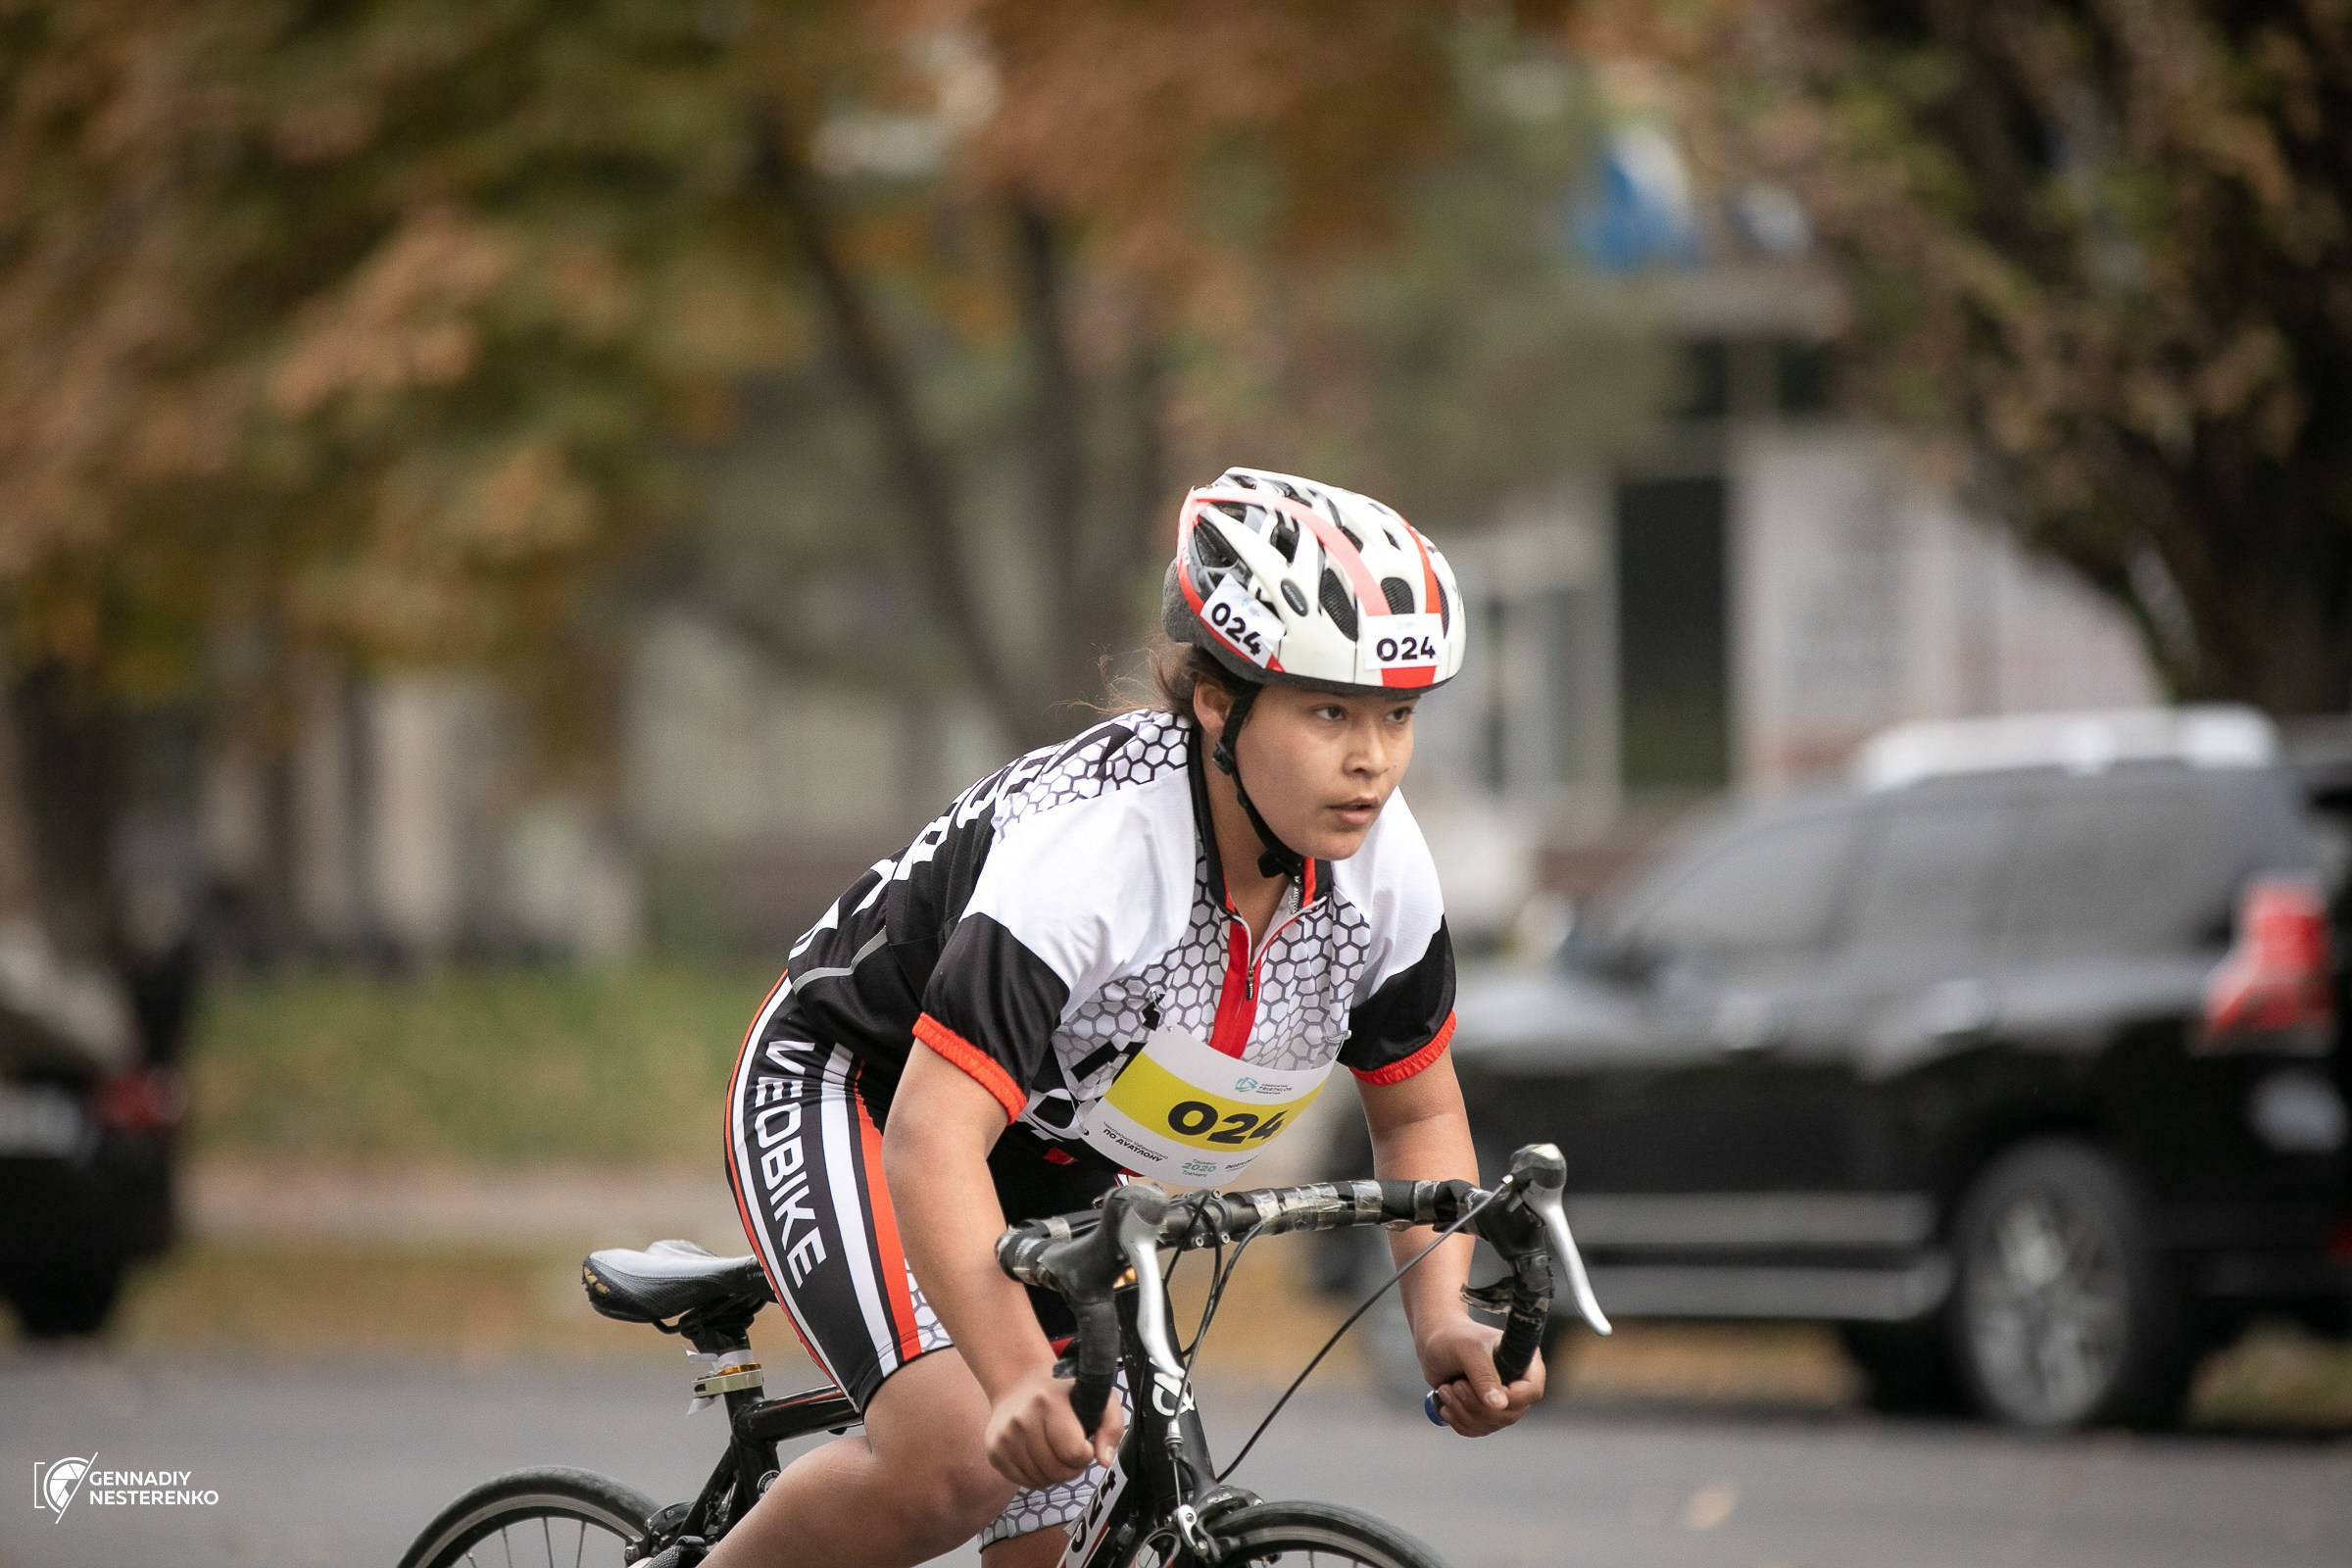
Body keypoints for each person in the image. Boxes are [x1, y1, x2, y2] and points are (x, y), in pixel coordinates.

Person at [710, 468, 1541, 1568]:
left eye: (1397, 714)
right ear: (1216, 700)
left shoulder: (1382, 873)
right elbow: (932, 1137)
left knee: (1076, 1479)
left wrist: (1439, 1315)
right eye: (1329, 709)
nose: (1372, 757)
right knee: (964, 1455)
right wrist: (1008, 1376)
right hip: (857, 1087)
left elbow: (1419, 1116)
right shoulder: (1096, 853)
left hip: (1059, 1138)